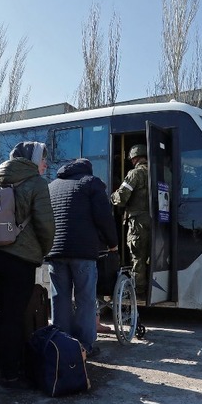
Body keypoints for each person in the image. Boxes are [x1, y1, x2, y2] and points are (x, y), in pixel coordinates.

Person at [0, 141, 54, 390]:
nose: (46, 163)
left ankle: (0, 361)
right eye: (43, 158)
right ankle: (11, 372)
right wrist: (41, 251)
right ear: (32, 159)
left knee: (0, 312)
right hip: (20, 258)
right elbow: (45, 225)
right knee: (14, 315)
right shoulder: (36, 183)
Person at [47, 158, 117, 356]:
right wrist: (113, 244)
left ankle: (61, 344)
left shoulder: (52, 185)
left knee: (60, 297)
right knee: (85, 298)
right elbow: (103, 217)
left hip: (55, 251)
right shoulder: (91, 183)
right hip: (83, 251)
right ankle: (84, 346)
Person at [111, 144, 150, 296]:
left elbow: (121, 198)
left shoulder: (135, 174)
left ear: (134, 158)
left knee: (137, 257)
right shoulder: (158, 171)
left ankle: (138, 291)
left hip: (138, 222)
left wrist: (112, 196)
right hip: (155, 221)